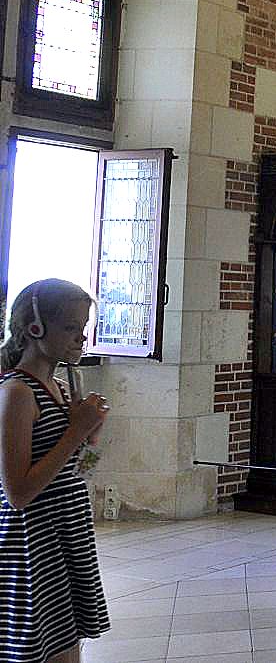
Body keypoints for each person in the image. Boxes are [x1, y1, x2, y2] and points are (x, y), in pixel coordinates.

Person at [0, 279, 111, 663]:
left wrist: (90, 429)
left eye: (83, 327)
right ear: (35, 328)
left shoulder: (61, 387)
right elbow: (18, 493)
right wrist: (76, 431)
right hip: (33, 539)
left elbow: (70, 460)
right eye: (69, 327)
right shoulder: (17, 393)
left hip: (65, 531)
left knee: (64, 642)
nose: (81, 337)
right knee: (36, 646)